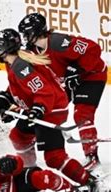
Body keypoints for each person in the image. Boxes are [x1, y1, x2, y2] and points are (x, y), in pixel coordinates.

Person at [0, 28, 97, 190]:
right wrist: (5, 98)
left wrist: (38, 108)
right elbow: (23, 87)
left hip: (50, 111)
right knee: (18, 136)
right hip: (44, 108)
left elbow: (44, 91)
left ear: (2, 48)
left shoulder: (20, 65)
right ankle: (29, 172)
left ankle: (89, 181)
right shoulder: (15, 63)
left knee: (54, 157)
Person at [18, 13, 107, 171]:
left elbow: (93, 48)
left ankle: (92, 156)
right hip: (68, 83)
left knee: (82, 115)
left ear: (38, 31)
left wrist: (78, 69)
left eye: (27, 34)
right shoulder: (33, 52)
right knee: (49, 110)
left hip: (91, 75)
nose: (24, 38)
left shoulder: (58, 42)